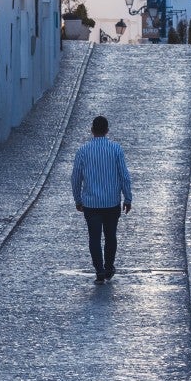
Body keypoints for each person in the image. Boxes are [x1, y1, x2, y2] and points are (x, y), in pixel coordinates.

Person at [71, 115, 133, 284]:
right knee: (111, 236)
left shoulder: (83, 151)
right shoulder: (116, 149)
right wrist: (127, 198)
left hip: (91, 203)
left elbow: (76, 178)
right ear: (107, 130)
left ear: (92, 130)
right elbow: (124, 176)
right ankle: (109, 267)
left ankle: (99, 271)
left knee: (94, 238)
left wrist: (78, 199)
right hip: (112, 202)